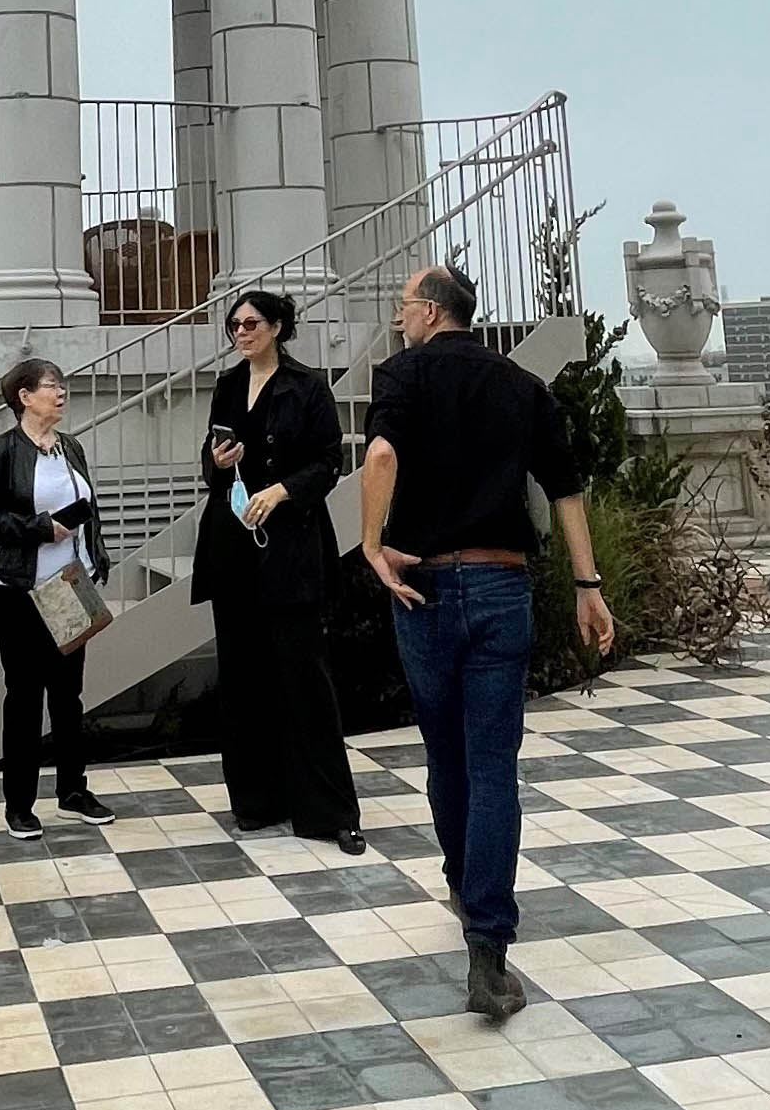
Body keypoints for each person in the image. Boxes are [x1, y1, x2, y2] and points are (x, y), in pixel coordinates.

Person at [361, 264, 615, 1022]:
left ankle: (462, 881)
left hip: (425, 587)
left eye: (403, 303)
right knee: (493, 763)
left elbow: (379, 458)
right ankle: (488, 949)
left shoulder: (401, 375)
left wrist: (371, 543)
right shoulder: (520, 384)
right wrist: (587, 584)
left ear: (433, 311)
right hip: (503, 585)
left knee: (447, 757)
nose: (399, 315)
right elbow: (565, 486)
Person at [194, 290, 365, 855]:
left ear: (276, 327)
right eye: (234, 325)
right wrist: (216, 462)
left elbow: (328, 462)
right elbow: (212, 458)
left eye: (250, 324)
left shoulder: (308, 386)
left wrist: (282, 490)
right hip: (233, 545)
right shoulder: (225, 385)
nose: (240, 333)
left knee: (303, 676)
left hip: (289, 546)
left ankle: (327, 810)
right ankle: (256, 801)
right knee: (242, 676)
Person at [0, 355, 116, 840]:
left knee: (68, 693)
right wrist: (38, 529)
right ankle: (19, 804)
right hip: (18, 587)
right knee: (25, 694)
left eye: (62, 385)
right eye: (51, 386)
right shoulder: (0, 450)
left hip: (70, 585)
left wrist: (97, 556)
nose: (61, 393)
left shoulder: (70, 447)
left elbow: (87, 509)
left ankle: (73, 790)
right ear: (24, 397)